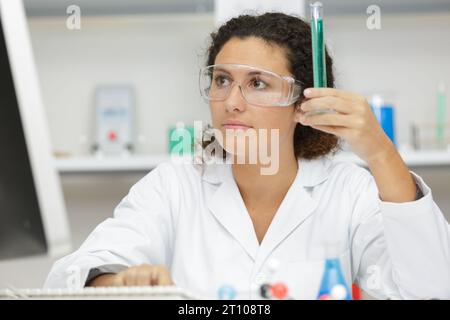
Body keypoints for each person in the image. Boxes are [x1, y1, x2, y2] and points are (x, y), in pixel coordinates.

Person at [45, 13, 450, 299]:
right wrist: (116, 285)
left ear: (303, 102)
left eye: (257, 83)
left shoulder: (348, 193)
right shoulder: (174, 186)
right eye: (222, 80)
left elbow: (430, 289)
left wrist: (380, 152)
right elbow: (72, 278)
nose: (231, 102)